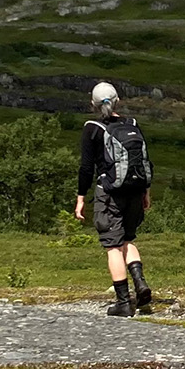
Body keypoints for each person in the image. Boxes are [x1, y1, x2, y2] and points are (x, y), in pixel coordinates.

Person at [75, 82, 153, 317]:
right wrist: (146, 192)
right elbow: (144, 160)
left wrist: (80, 198)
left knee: (112, 246)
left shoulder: (92, 128)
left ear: (93, 105)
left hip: (110, 193)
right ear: (118, 101)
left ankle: (123, 303)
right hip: (136, 190)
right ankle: (140, 285)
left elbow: (86, 168)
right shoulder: (132, 125)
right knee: (128, 239)